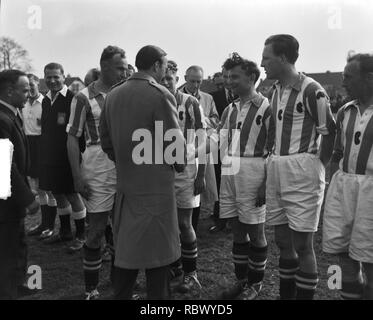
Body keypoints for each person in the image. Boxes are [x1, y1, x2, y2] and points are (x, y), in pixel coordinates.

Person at [99, 45, 184, 300]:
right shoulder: (160, 94)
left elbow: (106, 141)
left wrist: (126, 161)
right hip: (156, 190)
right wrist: (178, 164)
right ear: (156, 66)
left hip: (127, 187)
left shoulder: (113, 95)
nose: (165, 70)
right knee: (158, 262)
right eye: (165, 66)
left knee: (127, 255)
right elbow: (175, 147)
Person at [261, 34, 336, 299]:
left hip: (303, 167)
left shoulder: (311, 89)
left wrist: (317, 164)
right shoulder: (276, 89)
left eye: (266, 58)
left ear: (282, 58)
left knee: (303, 245)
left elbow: (330, 130)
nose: (262, 63)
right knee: (282, 240)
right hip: (278, 167)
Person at [67, 45, 127, 300]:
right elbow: (71, 138)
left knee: (123, 228)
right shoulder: (83, 97)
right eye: (119, 68)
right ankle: (91, 289)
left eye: (125, 68)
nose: (124, 73)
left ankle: (120, 287)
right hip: (96, 164)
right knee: (96, 230)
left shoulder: (124, 93)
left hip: (124, 165)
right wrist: (76, 176)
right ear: (103, 67)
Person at [215, 53, 269, 300]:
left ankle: (255, 285)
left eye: (235, 76)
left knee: (256, 231)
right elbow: (218, 140)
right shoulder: (230, 109)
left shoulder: (267, 108)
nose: (229, 81)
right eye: (227, 76)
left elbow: (275, 149)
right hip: (230, 170)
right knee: (237, 230)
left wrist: (265, 184)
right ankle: (242, 281)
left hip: (253, 169)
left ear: (252, 77)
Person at [323, 53, 373, 300]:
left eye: (349, 77)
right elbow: (337, 152)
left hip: (371, 193)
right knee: (342, 252)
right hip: (344, 187)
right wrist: (332, 185)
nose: (344, 83)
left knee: (370, 258)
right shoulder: (345, 111)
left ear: (370, 78)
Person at [161, 60, 206, 295]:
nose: (166, 81)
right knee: (164, 221)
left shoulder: (190, 102)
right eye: (163, 77)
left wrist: (201, 173)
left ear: (177, 80)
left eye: (171, 78)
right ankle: (173, 266)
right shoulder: (154, 100)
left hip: (186, 167)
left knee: (184, 222)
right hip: (159, 167)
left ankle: (191, 275)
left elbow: (203, 139)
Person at [0, 69, 40, 299]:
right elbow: (5, 166)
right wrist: (27, 198)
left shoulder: (11, 113)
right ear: (9, 91)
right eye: (24, 90)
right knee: (7, 246)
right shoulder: (2, 118)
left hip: (11, 196)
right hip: (5, 199)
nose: (28, 94)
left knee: (17, 241)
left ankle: (17, 283)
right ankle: (7, 291)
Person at [38, 63, 86, 251]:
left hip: (68, 156)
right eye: (48, 77)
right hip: (51, 157)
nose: (52, 80)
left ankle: (81, 235)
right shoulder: (46, 99)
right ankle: (65, 231)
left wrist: (78, 158)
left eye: (56, 77)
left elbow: (78, 134)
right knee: (57, 194)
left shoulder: (73, 99)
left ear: (64, 77)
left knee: (72, 195)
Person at [183, 65, 219, 230]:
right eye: (192, 81)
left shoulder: (207, 98)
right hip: (183, 146)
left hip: (201, 145)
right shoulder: (176, 96)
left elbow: (215, 120)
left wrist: (201, 118)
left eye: (199, 81)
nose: (196, 85)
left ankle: (193, 226)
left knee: (197, 187)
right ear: (185, 78)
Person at [23, 74, 58, 239]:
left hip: (42, 144)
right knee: (38, 187)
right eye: (27, 85)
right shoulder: (22, 103)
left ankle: (51, 225)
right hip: (28, 145)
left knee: (49, 188)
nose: (29, 88)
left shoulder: (45, 102)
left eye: (32, 85)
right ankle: (44, 224)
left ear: (38, 84)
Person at [209, 66, 237, 233]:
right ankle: (220, 218)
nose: (227, 80)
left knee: (236, 181)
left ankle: (235, 218)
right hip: (221, 143)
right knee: (220, 180)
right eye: (225, 77)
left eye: (230, 76)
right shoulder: (214, 97)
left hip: (239, 145)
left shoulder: (243, 95)